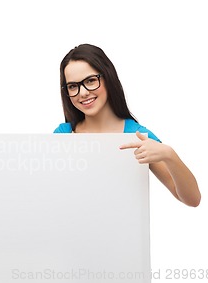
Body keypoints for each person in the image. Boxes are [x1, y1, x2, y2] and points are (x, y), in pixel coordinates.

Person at [54, 43, 200, 207]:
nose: (83, 93)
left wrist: (169, 155)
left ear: (108, 78)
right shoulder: (62, 135)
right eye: (73, 86)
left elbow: (192, 199)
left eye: (90, 80)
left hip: (124, 232)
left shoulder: (137, 136)